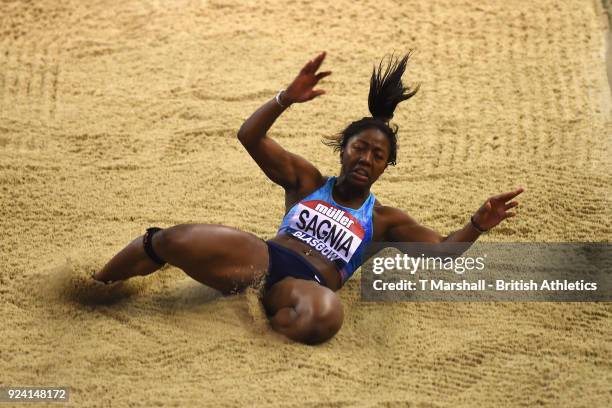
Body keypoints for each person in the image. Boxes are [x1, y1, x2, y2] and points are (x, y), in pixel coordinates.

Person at [93, 51, 523, 345]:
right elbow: (250, 136)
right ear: (343, 150)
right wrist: (285, 99)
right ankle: (95, 287)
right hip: (261, 258)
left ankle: (251, 323)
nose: (365, 158)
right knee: (172, 239)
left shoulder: (385, 221)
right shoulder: (306, 180)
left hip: (308, 284)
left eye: (377, 155)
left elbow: (445, 251)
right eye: (359, 148)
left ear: (385, 166)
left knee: (326, 317)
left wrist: (478, 223)